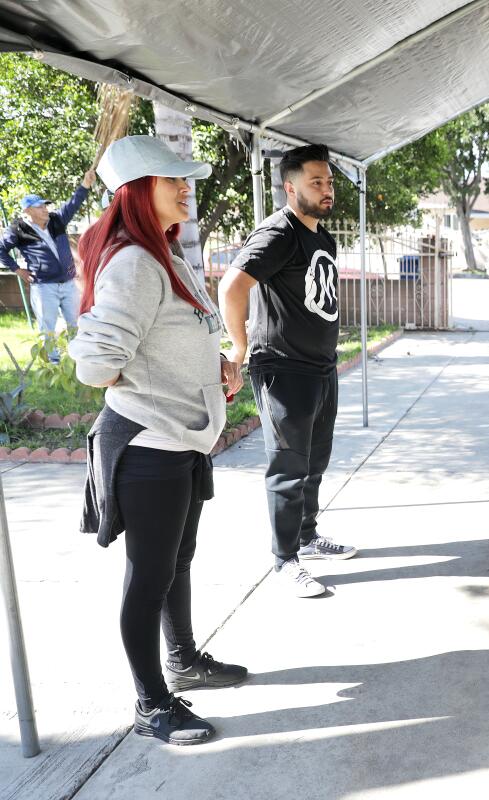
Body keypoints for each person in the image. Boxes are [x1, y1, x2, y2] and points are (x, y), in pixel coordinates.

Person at [70, 135, 248, 746]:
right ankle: (151, 703)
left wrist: (215, 363)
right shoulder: (134, 263)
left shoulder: (164, 254)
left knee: (177, 562)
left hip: (181, 439)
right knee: (149, 575)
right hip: (148, 444)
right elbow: (96, 363)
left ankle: (184, 661)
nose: (185, 187)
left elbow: (176, 333)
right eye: (172, 179)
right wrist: (146, 383)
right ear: (137, 191)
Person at [219, 143, 357, 599]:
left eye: (329, 181)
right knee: (288, 467)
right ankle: (284, 561)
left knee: (315, 460)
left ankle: (306, 535)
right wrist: (238, 348)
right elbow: (232, 286)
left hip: (320, 368)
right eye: (316, 181)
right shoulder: (279, 232)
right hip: (283, 368)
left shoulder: (322, 236)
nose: (326, 189)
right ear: (289, 186)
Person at [0, 171, 96, 360]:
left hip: (68, 283)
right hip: (44, 287)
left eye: (45, 205)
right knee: (48, 327)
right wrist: (17, 269)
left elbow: (73, 204)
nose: (45, 209)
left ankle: (76, 360)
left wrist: (85, 185)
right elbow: (1, 249)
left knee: (76, 323)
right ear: (28, 211)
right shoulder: (18, 229)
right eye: (39, 207)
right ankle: (53, 362)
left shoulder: (56, 220)